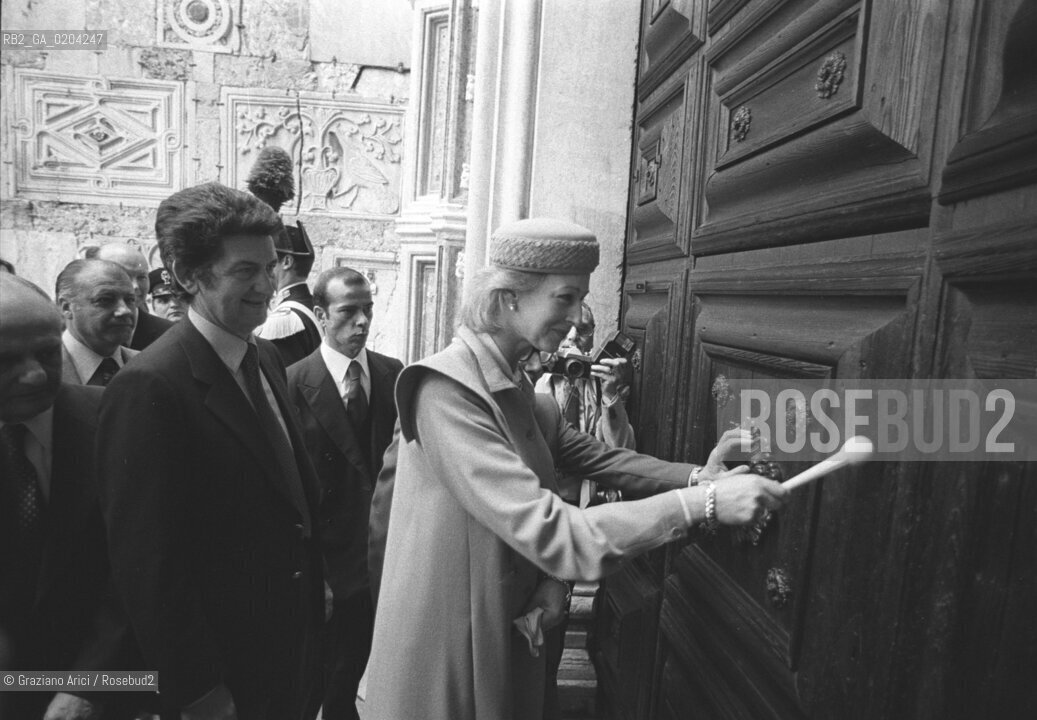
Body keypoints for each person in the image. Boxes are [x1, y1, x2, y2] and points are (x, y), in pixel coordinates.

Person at [363, 218, 788, 720]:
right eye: (565, 298)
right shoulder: (447, 391)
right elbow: (555, 531)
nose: (576, 316)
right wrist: (705, 504)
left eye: (581, 299)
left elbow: (598, 457)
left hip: (504, 633)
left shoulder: (517, 388)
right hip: (446, 658)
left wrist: (699, 477)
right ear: (508, 298)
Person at [97, 182, 323, 720]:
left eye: (270, 267)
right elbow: (148, 565)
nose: (267, 285)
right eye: (245, 271)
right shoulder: (151, 385)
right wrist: (197, 690)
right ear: (187, 276)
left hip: (290, 655)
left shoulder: (265, 357)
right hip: (224, 674)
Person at [0, 274, 141, 720]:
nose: (34, 374)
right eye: (6, 360)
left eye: (47, 353)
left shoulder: (115, 422)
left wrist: (88, 686)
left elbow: (141, 567)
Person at [287, 267, 403, 720]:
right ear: (320, 315)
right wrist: (314, 574)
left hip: (384, 563)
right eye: (348, 311)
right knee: (321, 686)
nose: (362, 321)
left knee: (364, 681)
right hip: (329, 571)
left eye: (367, 310)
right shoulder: (293, 382)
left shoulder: (394, 375)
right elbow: (292, 492)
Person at [250, 145, 323, 366]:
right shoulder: (311, 304)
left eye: (271, 262)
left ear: (287, 262)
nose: (266, 270)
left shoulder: (285, 319)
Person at [55, 259, 139, 386]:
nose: (125, 310)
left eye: (130, 300)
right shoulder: (44, 370)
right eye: (105, 300)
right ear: (66, 307)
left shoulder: (149, 363)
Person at [88, 243, 174, 350]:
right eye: (124, 275)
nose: (135, 286)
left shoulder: (170, 334)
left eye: (141, 277)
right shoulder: (80, 332)